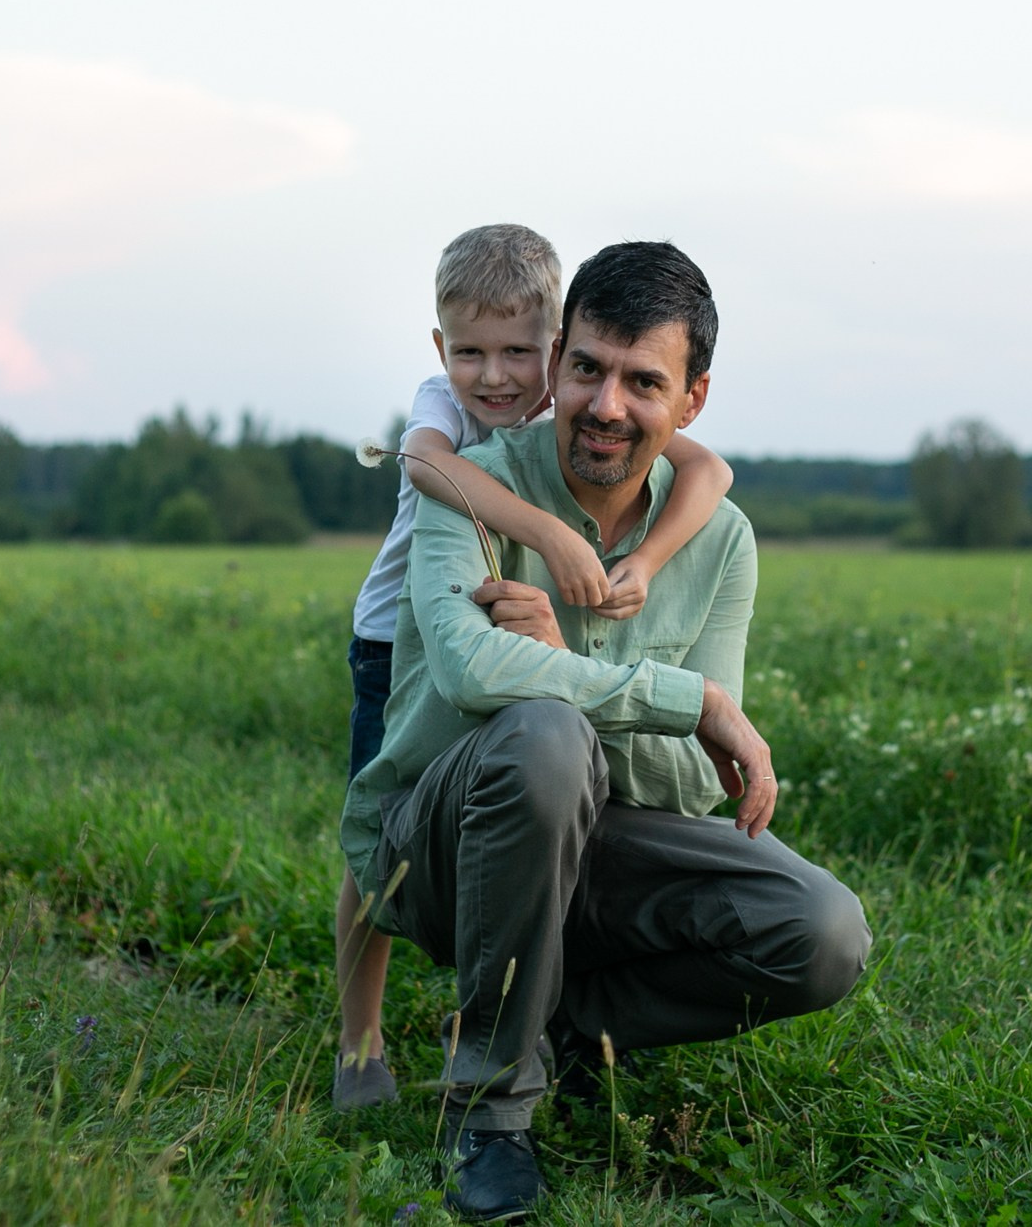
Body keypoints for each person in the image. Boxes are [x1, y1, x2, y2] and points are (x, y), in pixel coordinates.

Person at [339, 240, 871, 1220]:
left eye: (643, 381)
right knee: (541, 736)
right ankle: (488, 1112)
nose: (607, 404)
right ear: (559, 364)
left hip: (601, 844)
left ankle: (561, 1022)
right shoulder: (464, 486)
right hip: (443, 851)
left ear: (690, 400)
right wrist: (685, 699)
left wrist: (571, 677)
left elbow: (689, 786)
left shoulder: (717, 538)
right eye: (587, 368)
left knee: (824, 931)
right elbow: (469, 669)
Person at [333, 224, 735, 1112]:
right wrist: (549, 531)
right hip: (399, 641)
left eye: (521, 352)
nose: (497, 376)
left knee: (529, 782)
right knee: (375, 842)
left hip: (511, 644)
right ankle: (358, 1042)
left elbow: (709, 467)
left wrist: (654, 559)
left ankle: (523, 1008)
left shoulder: (584, 408)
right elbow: (438, 472)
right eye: (471, 352)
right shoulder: (440, 411)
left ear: (552, 349)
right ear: (442, 349)